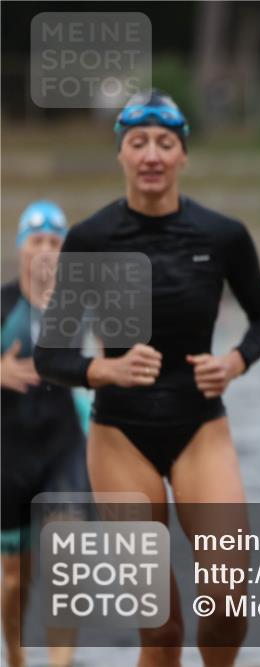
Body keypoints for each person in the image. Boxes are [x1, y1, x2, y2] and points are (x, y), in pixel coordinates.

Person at [34, 90, 260, 667]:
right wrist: (103, 369)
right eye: (137, 142)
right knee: (163, 629)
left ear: (183, 156)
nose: (151, 154)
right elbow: (51, 353)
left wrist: (235, 363)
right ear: (121, 154)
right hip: (120, 437)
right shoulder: (90, 239)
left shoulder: (222, 236)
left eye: (164, 143)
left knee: (227, 602)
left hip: (201, 430)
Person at [2, 201, 91, 667]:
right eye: (36, 241)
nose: (45, 251)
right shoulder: (2, 304)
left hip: (63, 449)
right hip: (9, 453)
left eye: (55, 243)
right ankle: (16, 659)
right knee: (15, 578)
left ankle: (61, 664)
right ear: (21, 248)